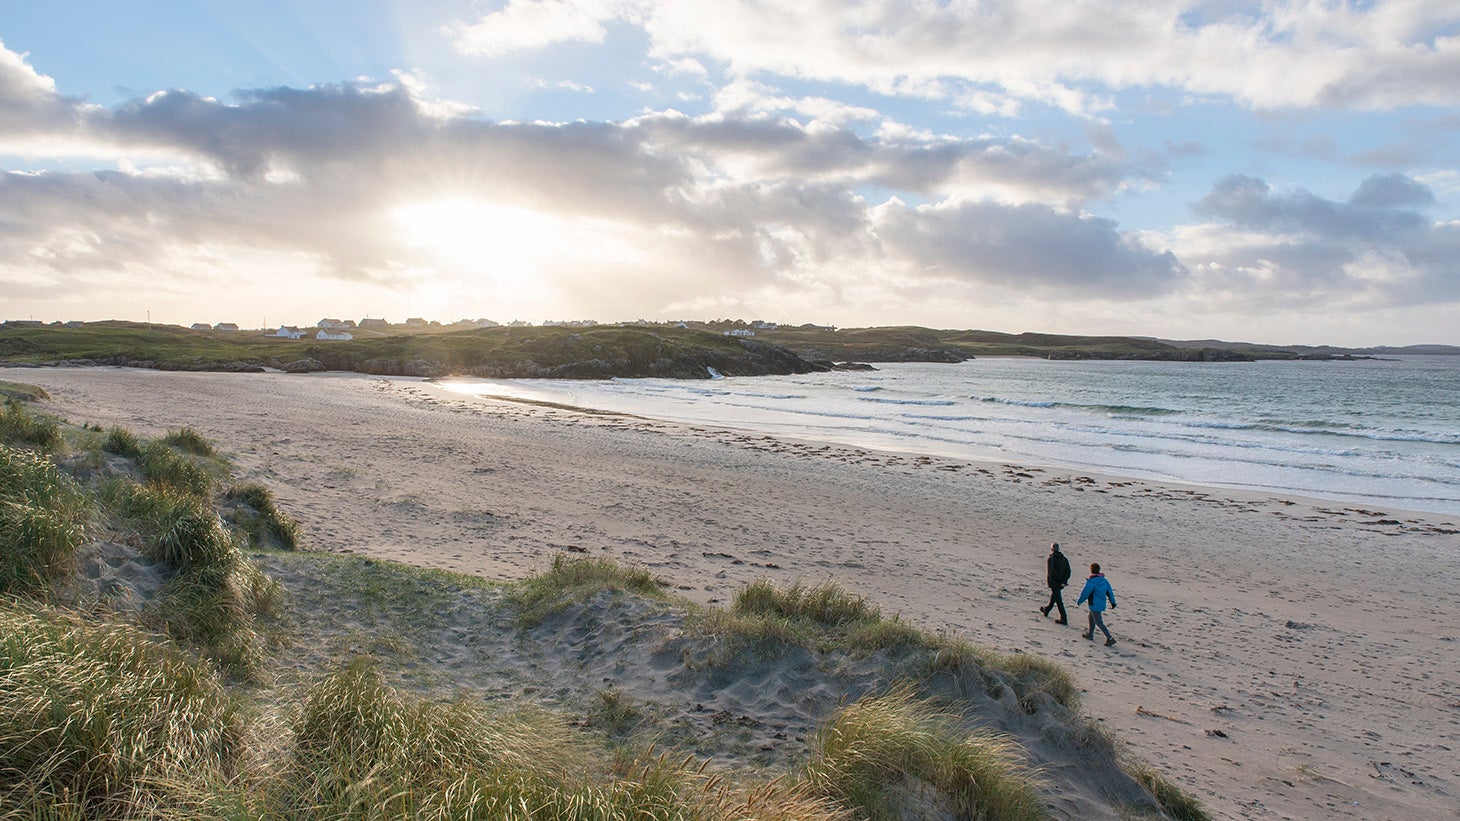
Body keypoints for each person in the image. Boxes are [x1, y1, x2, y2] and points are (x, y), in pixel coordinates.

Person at [1075, 562, 1117, 646]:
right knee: (1091, 617)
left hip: (1094, 604)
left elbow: (1085, 593)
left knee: (1098, 622)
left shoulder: (1091, 582)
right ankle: (1090, 634)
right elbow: (1109, 592)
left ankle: (1110, 638)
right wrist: (1112, 602)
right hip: (1101, 603)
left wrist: (1079, 601)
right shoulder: (1104, 580)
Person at [1040, 543, 1071, 624]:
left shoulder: (1051, 559)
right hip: (1061, 582)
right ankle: (1046, 610)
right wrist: (1064, 580)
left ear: (1052, 549)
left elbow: (1052, 572)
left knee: (1058, 600)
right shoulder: (1064, 559)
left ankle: (1064, 618)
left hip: (1055, 582)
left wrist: (1060, 581)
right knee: (1054, 596)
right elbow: (1068, 571)